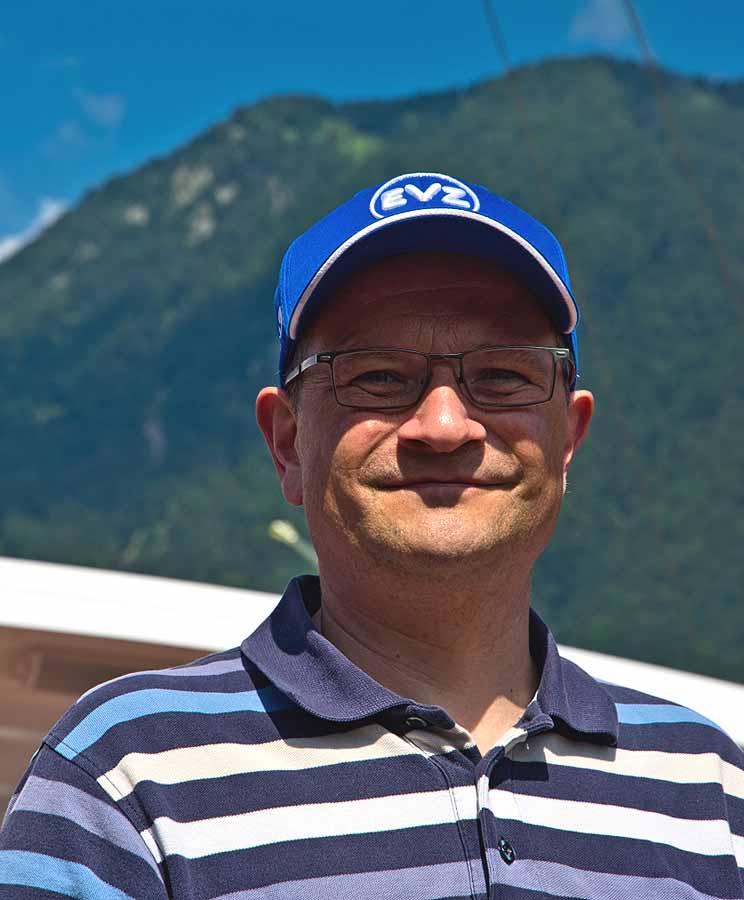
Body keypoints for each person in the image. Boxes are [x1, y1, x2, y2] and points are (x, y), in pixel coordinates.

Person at [1, 171, 742, 900]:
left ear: (569, 438)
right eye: (379, 377)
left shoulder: (711, 792)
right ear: (287, 443)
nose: (444, 427)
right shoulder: (122, 778)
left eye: (504, 375)